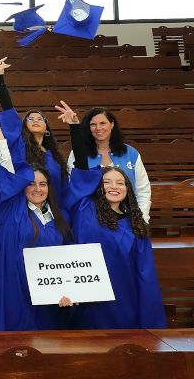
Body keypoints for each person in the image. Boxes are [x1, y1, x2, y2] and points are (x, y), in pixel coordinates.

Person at [58, 101, 166, 329]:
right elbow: (79, 178)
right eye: (106, 181)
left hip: (123, 305)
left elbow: (145, 280)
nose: (112, 186)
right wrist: (74, 127)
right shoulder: (85, 212)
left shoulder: (130, 154)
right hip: (87, 310)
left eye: (119, 182)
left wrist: (139, 222)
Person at [0, 142, 76, 331]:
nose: (37, 189)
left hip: (52, 298)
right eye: (31, 184)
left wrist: (71, 291)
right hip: (18, 293)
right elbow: (5, 173)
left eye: (43, 184)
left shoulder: (61, 217)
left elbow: (70, 260)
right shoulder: (11, 213)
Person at [0, 56, 70, 210]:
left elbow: (63, 189)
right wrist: (0, 78)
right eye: (29, 118)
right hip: (22, 210)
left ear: (47, 129)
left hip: (51, 211)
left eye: (40, 119)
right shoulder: (18, 144)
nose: (35, 120)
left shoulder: (55, 157)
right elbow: (8, 109)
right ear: (23, 127)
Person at [68, 107, 151, 223]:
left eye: (103, 123)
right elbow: (72, 187)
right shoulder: (78, 154)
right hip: (90, 221)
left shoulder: (131, 153)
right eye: (93, 124)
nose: (98, 128)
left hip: (127, 221)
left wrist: (142, 220)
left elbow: (142, 190)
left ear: (112, 124)